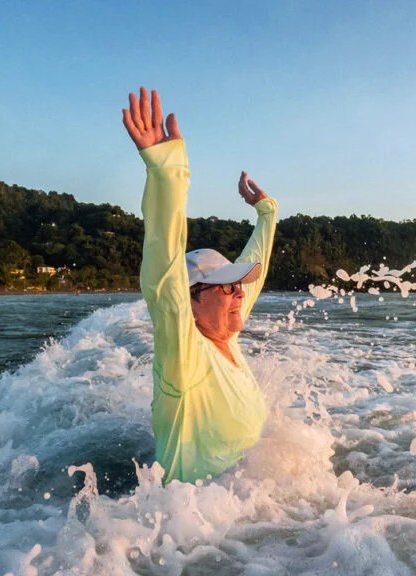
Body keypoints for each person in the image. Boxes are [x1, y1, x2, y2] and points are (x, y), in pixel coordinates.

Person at [122, 87, 279, 484]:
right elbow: (164, 266)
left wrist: (267, 213)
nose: (239, 294)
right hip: (188, 536)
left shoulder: (227, 331)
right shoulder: (184, 358)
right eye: (226, 288)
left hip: (245, 531)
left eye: (238, 286)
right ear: (189, 301)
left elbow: (253, 268)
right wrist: (166, 172)